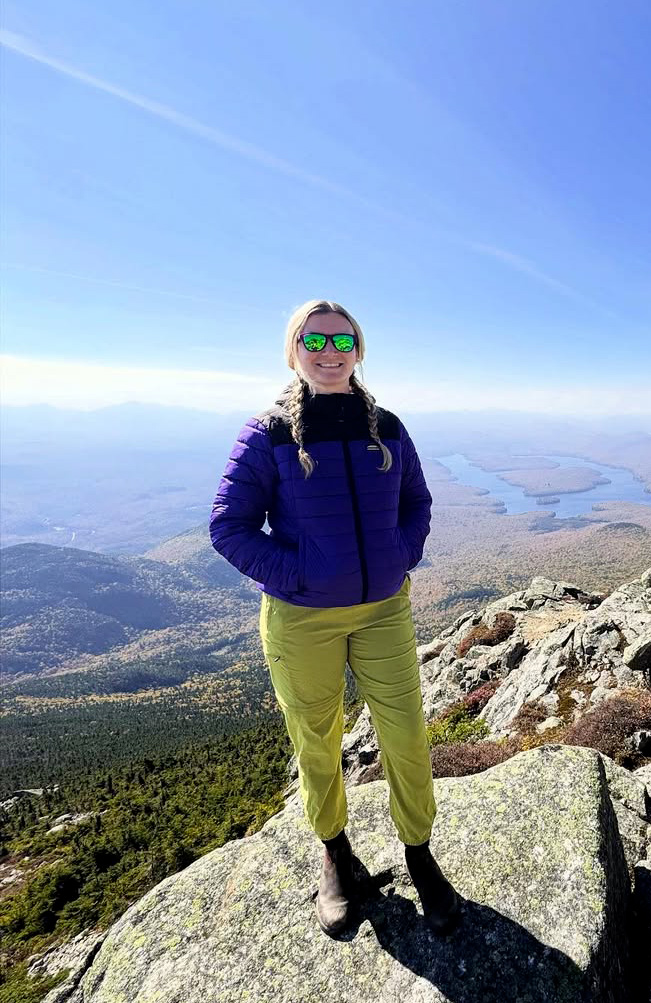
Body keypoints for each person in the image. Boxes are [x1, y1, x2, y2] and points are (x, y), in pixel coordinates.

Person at [208, 298, 460, 937]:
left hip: (384, 611)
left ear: (359, 350)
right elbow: (229, 527)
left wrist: (400, 556)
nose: (329, 353)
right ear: (293, 350)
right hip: (302, 618)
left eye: (341, 342)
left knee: (405, 732)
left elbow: (416, 502)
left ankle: (419, 854)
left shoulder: (388, 427)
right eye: (314, 341)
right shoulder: (267, 433)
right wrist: (302, 577)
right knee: (316, 741)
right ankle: (335, 852)